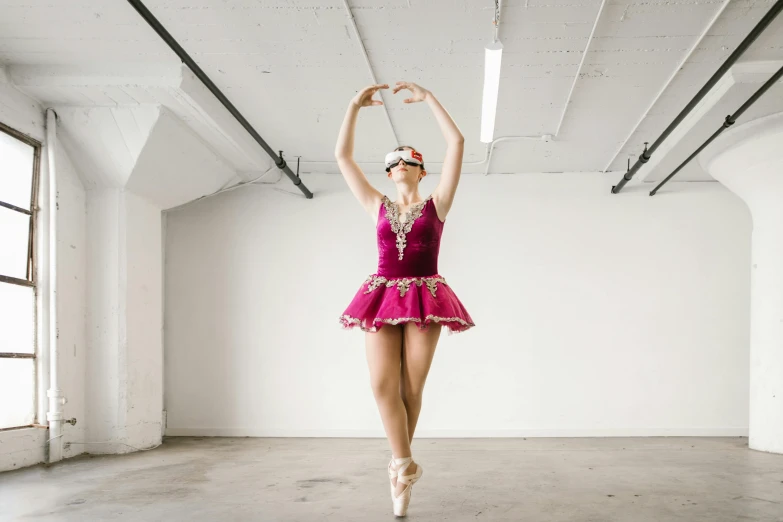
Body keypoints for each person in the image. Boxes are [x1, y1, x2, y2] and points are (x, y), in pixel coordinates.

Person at [335, 81, 475, 517]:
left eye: (407, 159)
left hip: (425, 296)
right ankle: (405, 463)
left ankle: (400, 472)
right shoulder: (376, 205)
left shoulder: (438, 204)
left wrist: (432, 98)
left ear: (420, 170)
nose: (398, 163)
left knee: (411, 387)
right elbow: (343, 157)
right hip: (381, 294)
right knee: (382, 385)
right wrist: (352, 107)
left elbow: (457, 142)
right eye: (391, 161)